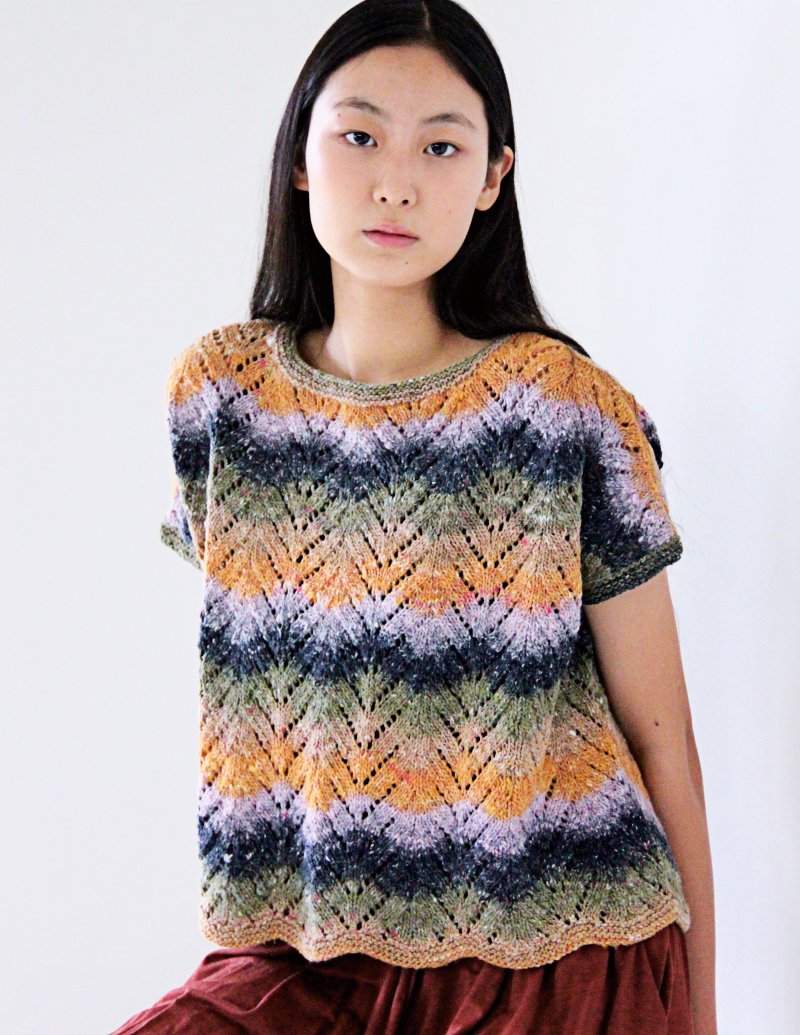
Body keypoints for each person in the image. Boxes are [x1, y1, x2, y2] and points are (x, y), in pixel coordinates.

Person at [112, 1, 717, 1032]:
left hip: (559, 949)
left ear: (491, 177)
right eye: (359, 135)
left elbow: (664, 741)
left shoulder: (565, 409)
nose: (396, 181)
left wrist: (701, 1014)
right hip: (311, 951)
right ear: (299, 157)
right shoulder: (220, 399)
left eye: (441, 146)